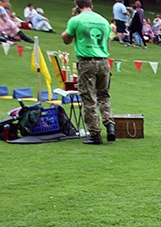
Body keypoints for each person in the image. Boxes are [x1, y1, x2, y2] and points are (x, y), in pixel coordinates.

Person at [61, 0, 115, 145]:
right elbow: (107, 44)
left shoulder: (76, 20)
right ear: (92, 5)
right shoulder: (103, 21)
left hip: (86, 61)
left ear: (77, 5)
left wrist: (73, 19)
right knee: (104, 95)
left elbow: (66, 39)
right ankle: (110, 125)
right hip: (104, 61)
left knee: (88, 97)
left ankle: (95, 133)